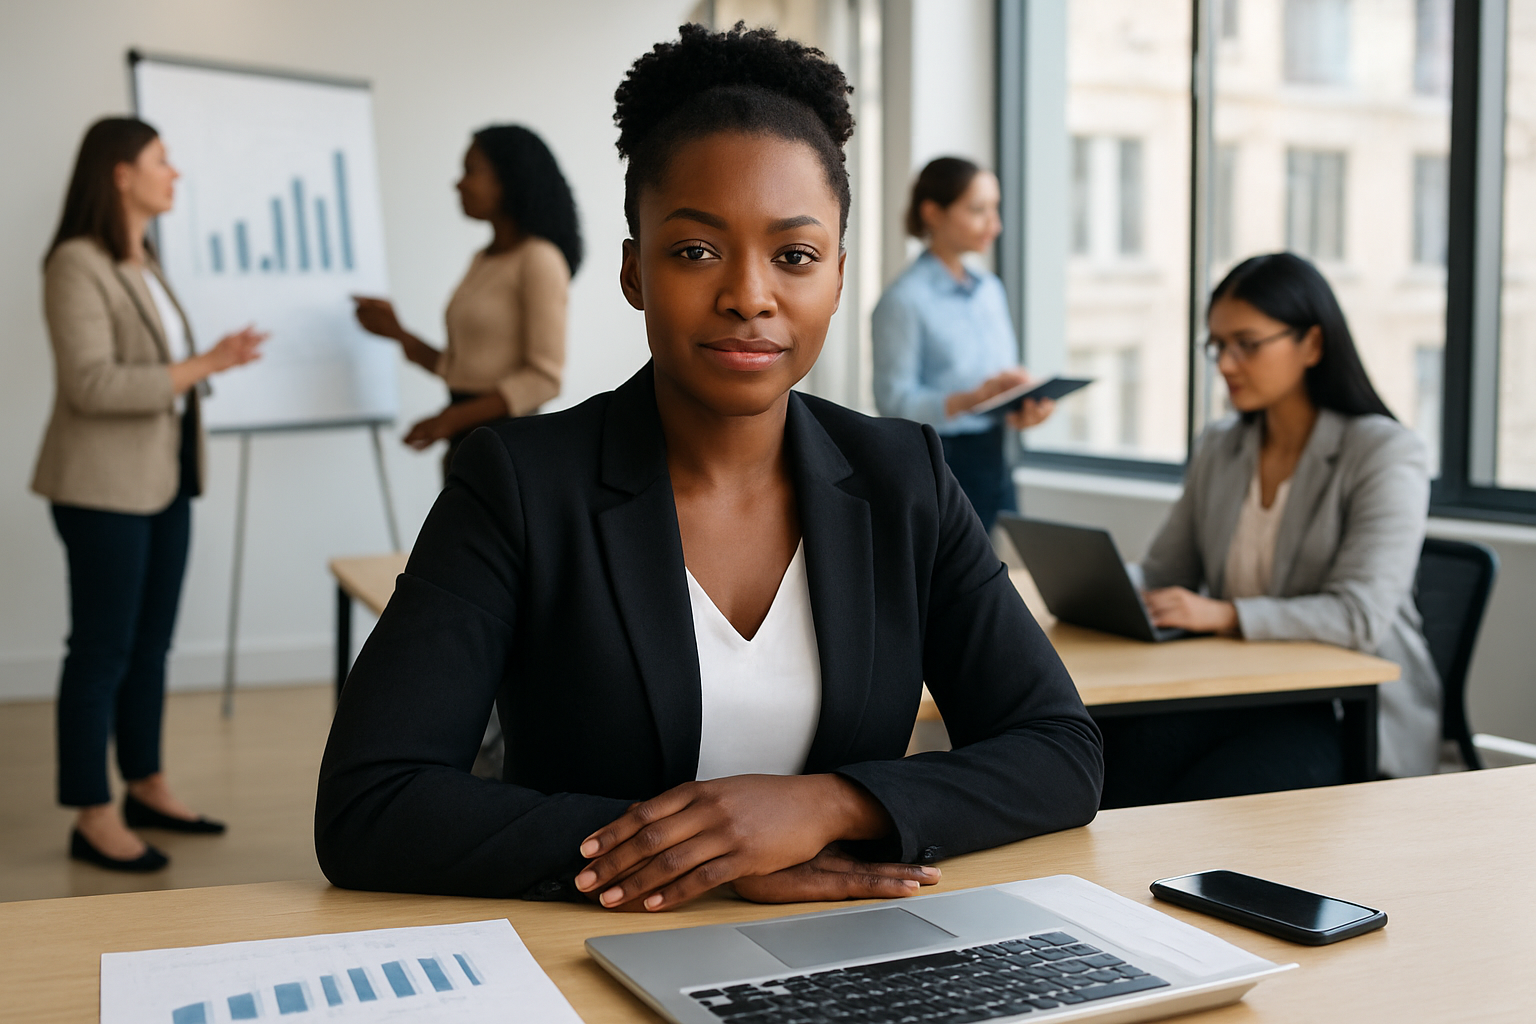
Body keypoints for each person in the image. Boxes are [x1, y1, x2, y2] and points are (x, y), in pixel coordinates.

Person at [316, 23, 1102, 910]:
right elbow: (371, 802)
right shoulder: (521, 484)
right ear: (633, 272)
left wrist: (826, 807)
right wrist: (710, 855)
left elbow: (1059, 749)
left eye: (795, 256)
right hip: (595, 957)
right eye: (695, 250)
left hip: (849, 957)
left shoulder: (902, 476)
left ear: (838, 277)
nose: (749, 295)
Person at [1103, 252, 1439, 807]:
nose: (1227, 365)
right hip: (1237, 695)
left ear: (1311, 343)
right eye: (1217, 347)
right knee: (1102, 759)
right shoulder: (1221, 446)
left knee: (1200, 799)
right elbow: (1165, 572)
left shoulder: (1383, 452)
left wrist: (1226, 614)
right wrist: (1099, 587)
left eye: (1247, 344)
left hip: (1339, 710)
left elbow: (1358, 615)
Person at [32, 117, 266, 871]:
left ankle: (146, 783)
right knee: (101, 648)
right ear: (119, 174)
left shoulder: (146, 263)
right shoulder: (76, 262)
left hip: (165, 479)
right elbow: (91, 385)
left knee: (152, 645)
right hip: (102, 488)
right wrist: (208, 364)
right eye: (161, 161)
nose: (176, 174)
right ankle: (90, 812)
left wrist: (206, 364)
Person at [352, 125, 581, 479]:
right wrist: (398, 334)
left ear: (508, 181)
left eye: (471, 172)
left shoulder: (540, 259)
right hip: (468, 447)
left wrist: (449, 420)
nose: (458, 184)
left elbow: (543, 380)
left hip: (510, 453)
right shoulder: (483, 259)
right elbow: (464, 368)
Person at [871, 157, 1055, 532]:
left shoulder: (990, 290)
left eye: (995, 208)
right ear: (933, 213)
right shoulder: (903, 301)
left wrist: (1022, 405)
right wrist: (971, 399)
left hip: (996, 456)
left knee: (997, 581)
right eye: (978, 210)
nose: (995, 224)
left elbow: (998, 383)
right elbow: (894, 404)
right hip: (940, 464)